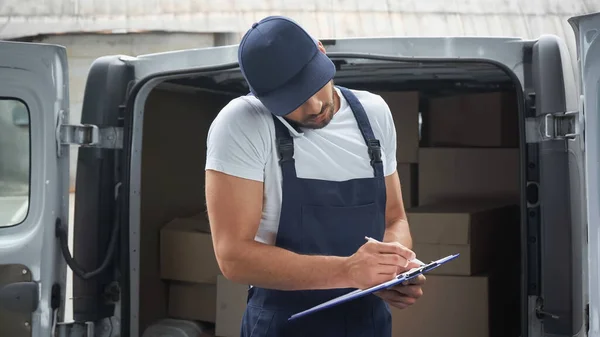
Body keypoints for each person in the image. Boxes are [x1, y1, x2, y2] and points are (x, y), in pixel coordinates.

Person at [205, 15, 425, 337]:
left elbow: (395, 220)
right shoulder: (242, 124)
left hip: (369, 324)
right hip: (283, 325)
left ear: (321, 51)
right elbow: (233, 256)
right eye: (291, 100)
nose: (314, 105)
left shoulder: (374, 114)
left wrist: (391, 269)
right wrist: (350, 271)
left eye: (313, 84)